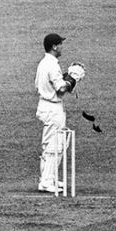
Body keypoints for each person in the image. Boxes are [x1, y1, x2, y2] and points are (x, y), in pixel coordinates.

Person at [35, 34, 78, 194]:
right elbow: (61, 88)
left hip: (46, 106)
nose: (62, 47)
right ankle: (46, 182)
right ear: (54, 46)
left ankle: (49, 178)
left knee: (51, 144)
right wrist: (72, 80)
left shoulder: (44, 63)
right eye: (60, 44)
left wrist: (67, 79)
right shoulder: (52, 65)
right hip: (53, 108)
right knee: (55, 146)